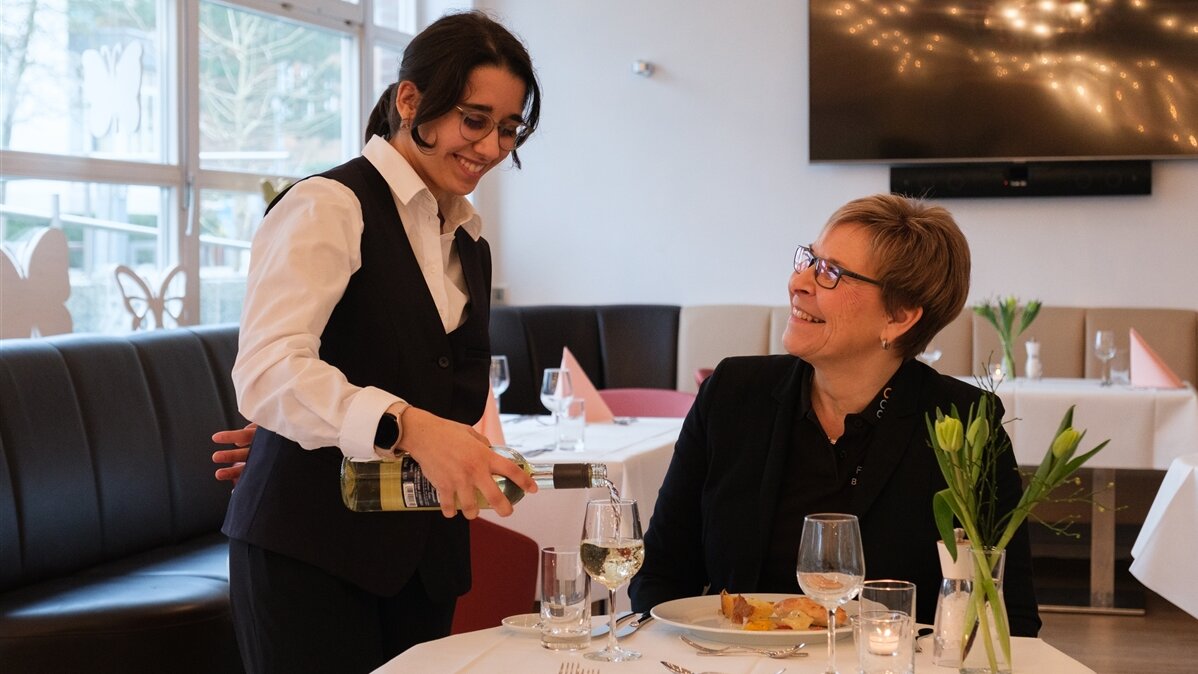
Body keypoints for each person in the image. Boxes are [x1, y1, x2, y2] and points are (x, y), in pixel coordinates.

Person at [220, 11, 542, 672]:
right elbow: (267, 368)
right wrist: (408, 427)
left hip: (425, 564)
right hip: (311, 557)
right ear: (410, 99)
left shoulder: (469, 240)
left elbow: (418, 369)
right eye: (474, 120)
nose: (490, 147)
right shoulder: (328, 205)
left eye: (508, 129)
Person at [628, 193, 1042, 637]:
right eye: (809, 259)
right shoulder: (732, 394)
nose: (798, 281)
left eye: (831, 273)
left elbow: (1008, 614)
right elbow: (662, 577)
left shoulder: (961, 424)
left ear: (899, 316)